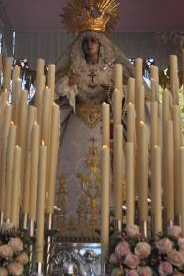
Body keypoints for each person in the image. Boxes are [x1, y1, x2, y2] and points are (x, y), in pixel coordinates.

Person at [52, 31, 135, 238]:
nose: (90, 45)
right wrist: (69, 85)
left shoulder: (112, 71)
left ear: (101, 45)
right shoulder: (74, 70)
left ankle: (111, 226)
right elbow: (57, 97)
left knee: (110, 169)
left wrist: (115, 90)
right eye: (86, 41)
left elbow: (126, 100)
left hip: (104, 126)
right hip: (77, 124)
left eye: (94, 41)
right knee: (71, 168)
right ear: (80, 46)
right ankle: (68, 227)